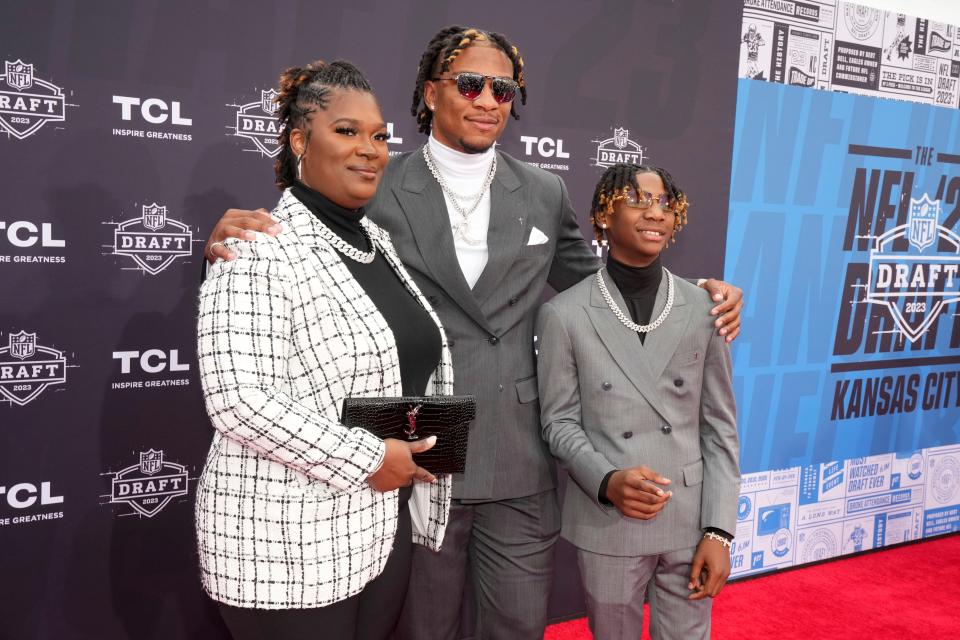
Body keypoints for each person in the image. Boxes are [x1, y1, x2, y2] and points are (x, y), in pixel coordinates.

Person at [202, 26, 744, 640]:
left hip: (519, 450)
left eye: (503, 88)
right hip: (414, 449)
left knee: (515, 627)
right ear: (432, 92)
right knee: (420, 628)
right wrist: (227, 241)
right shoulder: (377, 181)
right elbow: (307, 246)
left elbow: (600, 288)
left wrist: (697, 294)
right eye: (469, 83)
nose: (487, 99)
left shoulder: (543, 190)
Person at [195, 59, 454, 640]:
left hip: (378, 528)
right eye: (346, 131)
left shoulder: (378, 243)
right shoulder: (256, 248)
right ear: (298, 141)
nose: (369, 148)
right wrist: (369, 460)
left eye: (380, 136)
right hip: (284, 548)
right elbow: (238, 399)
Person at [535, 163, 740, 640]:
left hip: (689, 518)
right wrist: (607, 480)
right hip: (609, 518)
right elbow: (558, 423)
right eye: (638, 200)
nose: (656, 212)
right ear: (603, 216)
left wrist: (719, 530)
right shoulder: (564, 314)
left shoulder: (703, 308)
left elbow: (720, 426)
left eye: (665, 203)